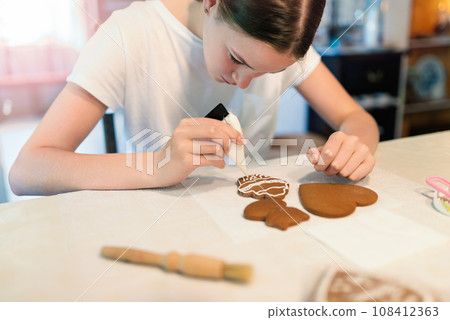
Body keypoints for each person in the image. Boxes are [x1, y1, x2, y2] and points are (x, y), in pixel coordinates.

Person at [9, 0, 379, 196]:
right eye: (236, 59)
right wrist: (158, 164)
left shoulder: (281, 41)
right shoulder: (131, 34)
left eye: (267, 73)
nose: (244, 84)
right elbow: (27, 171)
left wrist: (353, 146)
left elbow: (357, 119)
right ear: (211, 2)